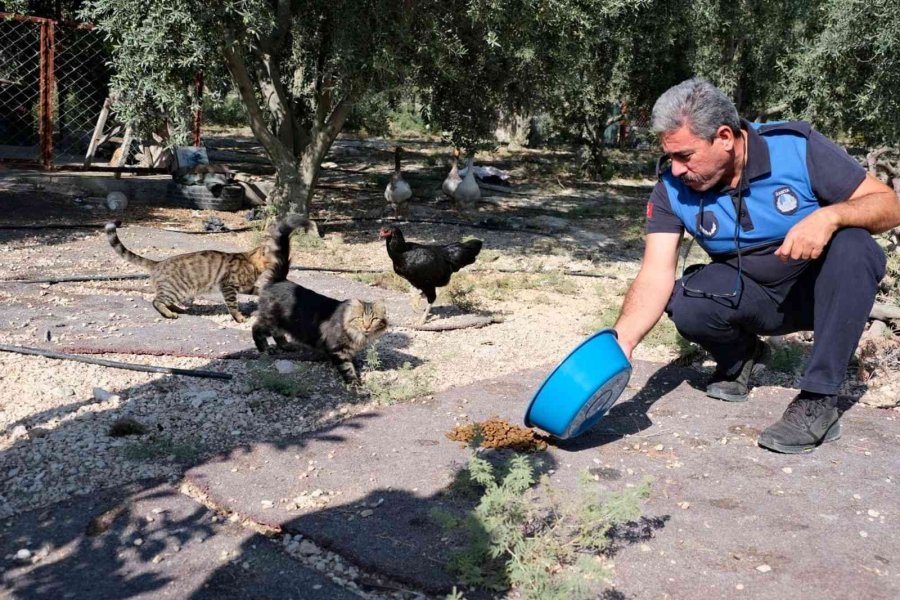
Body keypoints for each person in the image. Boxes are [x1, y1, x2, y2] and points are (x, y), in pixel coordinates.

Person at [613, 78, 900, 454]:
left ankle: (818, 400)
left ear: (725, 137)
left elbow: (889, 204)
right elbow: (655, 274)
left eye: (685, 156)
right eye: (671, 157)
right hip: (751, 295)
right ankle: (741, 357)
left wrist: (830, 217)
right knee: (686, 300)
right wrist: (621, 345)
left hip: (819, 293)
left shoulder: (796, 148)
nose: (678, 170)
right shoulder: (672, 188)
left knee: (854, 245)